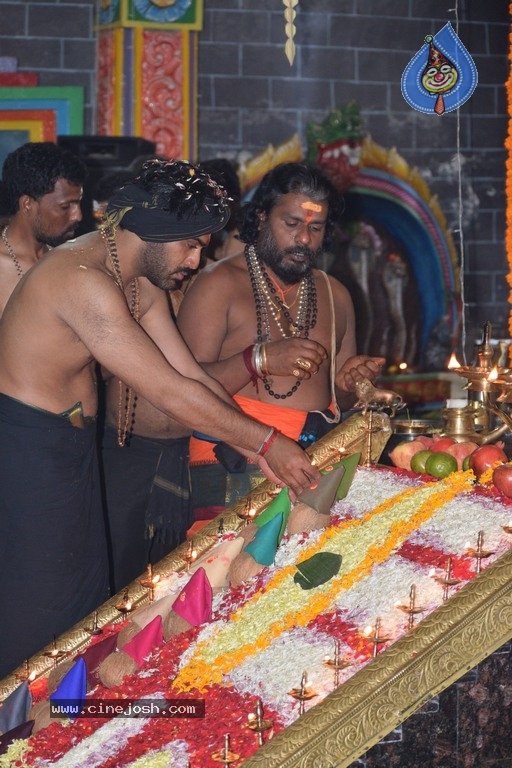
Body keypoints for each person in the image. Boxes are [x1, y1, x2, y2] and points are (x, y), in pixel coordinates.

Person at [0, 159, 319, 677]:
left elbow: (189, 375)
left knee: (83, 612)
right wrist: (266, 443)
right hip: (26, 453)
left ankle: (65, 725)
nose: (196, 260)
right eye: (189, 245)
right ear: (152, 231)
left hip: (73, 453)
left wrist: (258, 449)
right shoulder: (78, 279)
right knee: (39, 621)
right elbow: (169, 392)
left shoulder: (135, 280)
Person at [178, 161, 385, 521]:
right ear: (261, 218)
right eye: (291, 224)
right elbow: (182, 389)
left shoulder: (335, 295)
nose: (304, 239)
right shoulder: (217, 285)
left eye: (315, 228)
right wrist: (258, 360)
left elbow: (340, 402)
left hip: (315, 466)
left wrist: (349, 384)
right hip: (234, 461)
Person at [0, 141, 86, 316]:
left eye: (78, 203)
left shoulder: (72, 261)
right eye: (65, 207)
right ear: (27, 204)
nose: (78, 216)